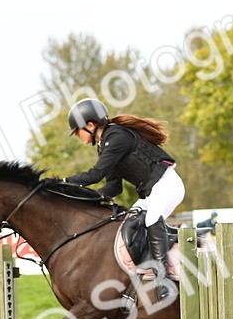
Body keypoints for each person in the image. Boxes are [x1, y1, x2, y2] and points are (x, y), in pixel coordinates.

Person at [63, 98, 182, 301]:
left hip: (168, 185)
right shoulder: (105, 144)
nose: (77, 136)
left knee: (152, 220)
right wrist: (89, 200)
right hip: (151, 192)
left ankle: (165, 281)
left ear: (90, 125)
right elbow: (113, 186)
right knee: (130, 223)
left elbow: (95, 175)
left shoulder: (117, 136)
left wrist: (63, 182)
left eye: (77, 131)